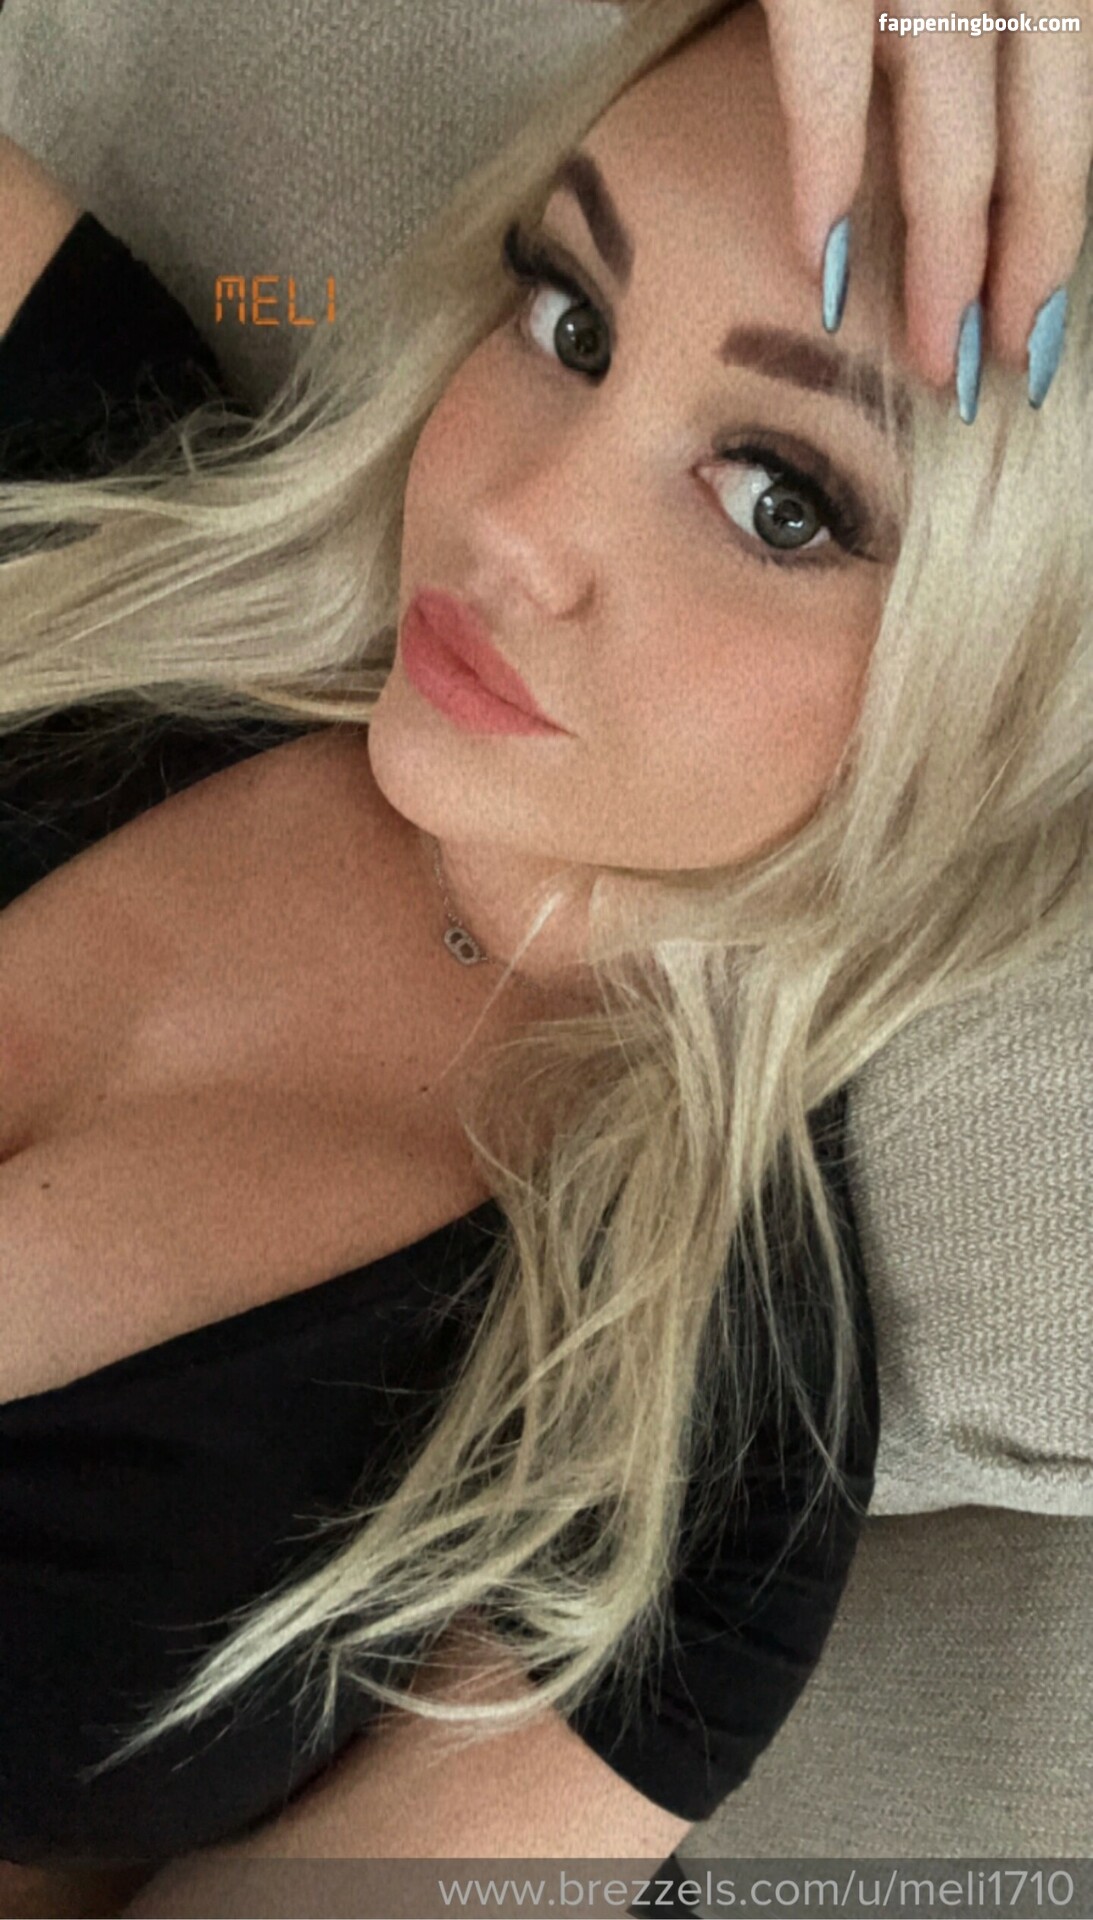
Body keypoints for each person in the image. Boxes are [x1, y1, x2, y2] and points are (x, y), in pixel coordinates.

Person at [0, 0, 1087, 1912]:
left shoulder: (691, 1468)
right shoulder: (98, 480)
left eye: (781, 499)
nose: (512, 523)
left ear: (1017, 674)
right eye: (570, 320)